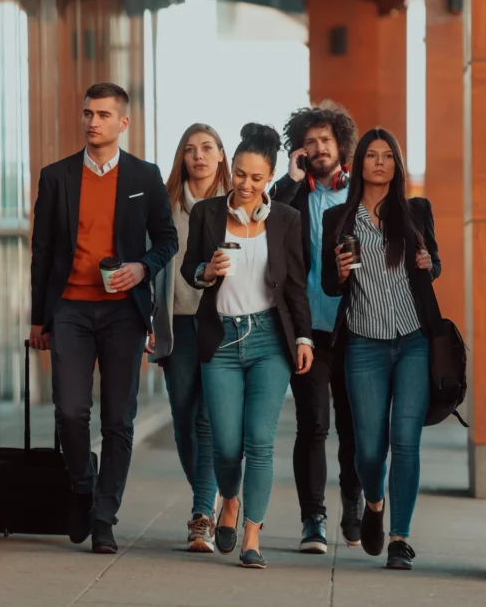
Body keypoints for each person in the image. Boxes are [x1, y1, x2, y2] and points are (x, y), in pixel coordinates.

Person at [29, 82, 177, 554]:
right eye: (88, 113)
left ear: (123, 123)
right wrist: (38, 319)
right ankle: (81, 484)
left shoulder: (145, 177)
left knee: (118, 420)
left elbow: (167, 240)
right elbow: (42, 251)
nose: (93, 121)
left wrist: (141, 268)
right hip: (69, 309)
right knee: (71, 412)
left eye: (104, 115)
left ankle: (104, 514)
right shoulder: (56, 177)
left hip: (122, 314)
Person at [180, 123, 313, 569]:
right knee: (224, 443)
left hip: (268, 341)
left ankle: (252, 534)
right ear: (231, 169)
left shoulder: (286, 220)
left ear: (270, 177)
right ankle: (229, 500)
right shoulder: (207, 214)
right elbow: (188, 271)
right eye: (240, 174)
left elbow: (295, 286)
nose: (246, 185)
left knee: (259, 440)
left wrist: (303, 336)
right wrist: (207, 272)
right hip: (219, 340)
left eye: (257, 178)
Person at [322, 127, 440, 571]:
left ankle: (400, 538)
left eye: (387, 155)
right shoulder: (337, 218)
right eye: (371, 155)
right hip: (364, 344)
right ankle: (374, 503)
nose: (379, 162)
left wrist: (430, 264)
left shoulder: (416, 211)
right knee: (369, 450)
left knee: (406, 442)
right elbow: (329, 286)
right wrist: (338, 270)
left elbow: (435, 263)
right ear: (359, 165)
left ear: (396, 164)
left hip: (413, 340)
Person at [271, 100, 364, 552]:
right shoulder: (294, 193)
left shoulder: (360, 193)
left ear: (341, 145)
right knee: (312, 425)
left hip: (356, 325)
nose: (318, 147)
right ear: (300, 150)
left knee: (353, 425)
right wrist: (290, 178)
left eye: (325, 140)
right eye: (309, 142)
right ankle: (313, 519)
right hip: (306, 329)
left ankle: (352, 497)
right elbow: (266, 218)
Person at [150, 123, 230, 552]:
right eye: (189, 149)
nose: (198, 156)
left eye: (206, 148)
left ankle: (201, 513)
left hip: (221, 323)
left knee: (207, 421)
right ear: (182, 158)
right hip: (176, 321)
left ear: (221, 154)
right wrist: (148, 319)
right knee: (183, 420)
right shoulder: (164, 206)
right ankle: (207, 497)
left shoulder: (236, 204)